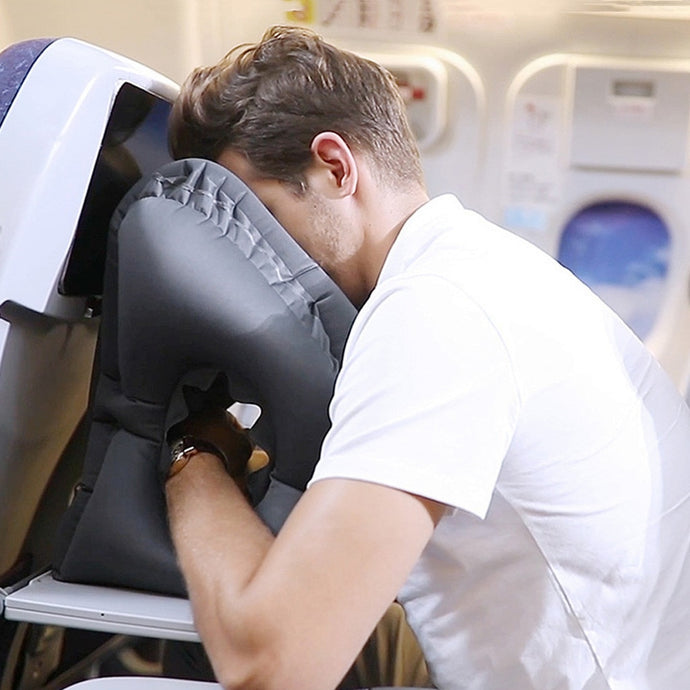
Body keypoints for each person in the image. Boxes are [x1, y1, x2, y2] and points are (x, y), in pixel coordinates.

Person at [162, 24, 690, 690]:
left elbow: (275, 669)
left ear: (334, 167)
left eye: (256, 217)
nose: (245, 259)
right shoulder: (476, 267)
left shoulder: (437, 311)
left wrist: (193, 456)